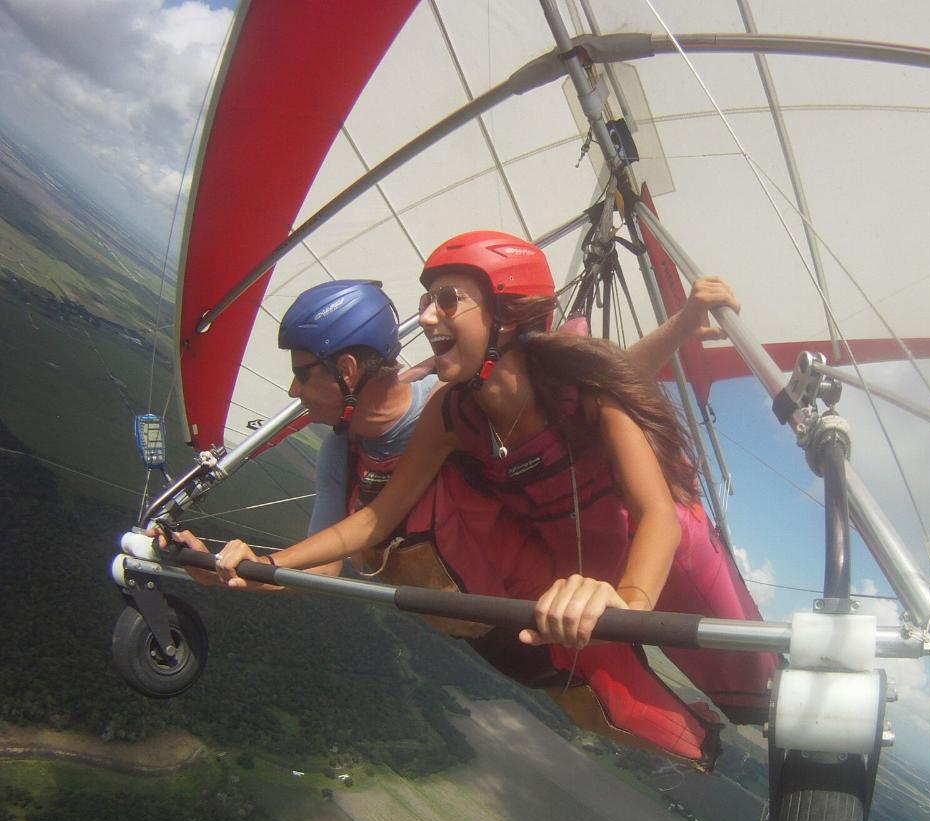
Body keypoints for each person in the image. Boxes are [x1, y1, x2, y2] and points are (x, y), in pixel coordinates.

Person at [213, 231, 778, 769]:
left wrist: (628, 603)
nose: (428, 316)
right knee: (610, 693)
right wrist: (273, 564)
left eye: (446, 301)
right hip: (580, 562)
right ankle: (701, 736)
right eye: (426, 301)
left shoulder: (582, 388)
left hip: (665, 552)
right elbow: (375, 518)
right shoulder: (453, 410)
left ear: (504, 315)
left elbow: (658, 514)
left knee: (758, 690)